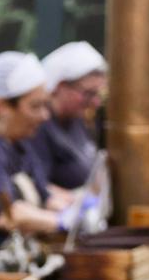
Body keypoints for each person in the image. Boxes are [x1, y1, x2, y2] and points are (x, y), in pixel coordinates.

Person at [0, 50, 67, 246]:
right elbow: (6, 215)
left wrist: (75, 208)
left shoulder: (18, 144)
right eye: (35, 106)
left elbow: (45, 195)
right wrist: (62, 221)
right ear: (2, 106)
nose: (45, 116)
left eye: (46, 105)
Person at [33, 40, 107, 190]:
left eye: (97, 94)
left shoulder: (77, 120)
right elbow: (39, 186)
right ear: (60, 86)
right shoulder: (38, 127)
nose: (95, 103)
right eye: (88, 93)